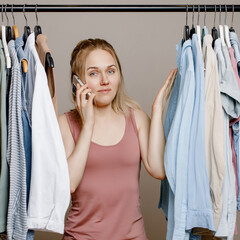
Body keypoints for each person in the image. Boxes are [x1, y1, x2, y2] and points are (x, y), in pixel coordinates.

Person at [58, 38, 177, 240]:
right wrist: (88, 126)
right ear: (77, 82)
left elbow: (158, 170)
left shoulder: (136, 119)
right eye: (94, 73)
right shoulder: (65, 123)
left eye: (111, 71)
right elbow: (68, 183)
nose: (105, 80)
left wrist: (157, 110)